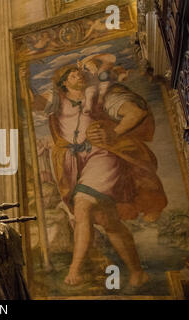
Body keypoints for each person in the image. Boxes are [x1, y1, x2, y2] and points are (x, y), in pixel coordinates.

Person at [20, 62, 167, 288]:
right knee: (110, 222)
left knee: (82, 204)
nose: (78, 74)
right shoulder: (58, 101)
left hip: (102, 156)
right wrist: (23, 81)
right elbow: (33, 102)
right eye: (71, 74)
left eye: (79, 71)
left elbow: (135, 113)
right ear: (63, 83)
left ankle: (74, 270)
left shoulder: (99, 94)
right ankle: (138, 272)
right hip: (76, 164)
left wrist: (113, 132)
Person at [0, 211, 30, 300]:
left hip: (7, 265)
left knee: (7, 294)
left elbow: (1, 246)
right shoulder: (14, 231)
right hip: (17, 265)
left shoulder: (1, 227)